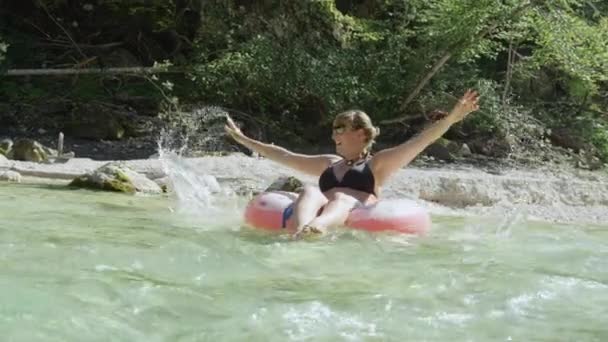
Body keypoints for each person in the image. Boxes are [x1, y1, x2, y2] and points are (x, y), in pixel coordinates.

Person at [225, 90, 480, 238]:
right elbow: (285, 156)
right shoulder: (330, 162)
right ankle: (299, 234)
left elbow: (421, 141)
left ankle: (317, 228)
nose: (333, 134)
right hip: (320, 207)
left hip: (351, 209)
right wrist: (243, 139)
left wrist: (453, 117)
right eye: (333, 128)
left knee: (342, 199)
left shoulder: (377, 164)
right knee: (310, 190)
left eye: (340, 128)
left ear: (360, 134)